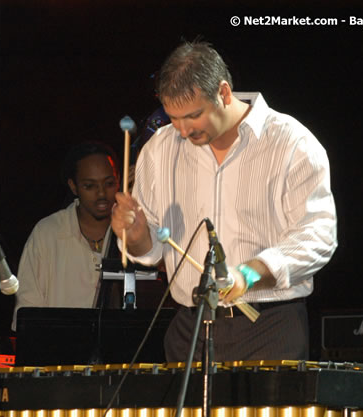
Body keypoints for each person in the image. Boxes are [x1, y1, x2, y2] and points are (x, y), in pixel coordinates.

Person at [111, 41, 337, 361]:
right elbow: (152, 248)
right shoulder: (160, 149)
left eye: (194, 116)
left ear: (224, 93)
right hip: (190, 328)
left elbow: (318, 236)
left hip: (269, 327)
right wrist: (135, 238)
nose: (183, 131)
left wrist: (250, 273)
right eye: (174, 118)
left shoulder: (291, 142)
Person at [11, 142, 122, 330]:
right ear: (73, 186)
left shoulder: (133, 232)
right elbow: (28, 314)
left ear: (119, 180)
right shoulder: (47, 233)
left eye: (109, 183)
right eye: (89, 186)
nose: (102, 193)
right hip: (55, 348)